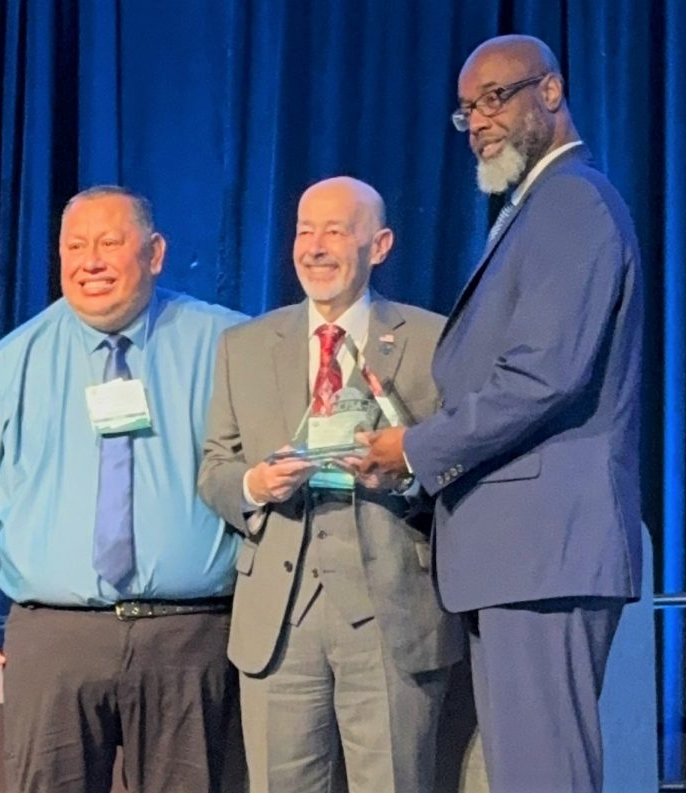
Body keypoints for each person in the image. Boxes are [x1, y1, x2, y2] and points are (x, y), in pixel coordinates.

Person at [358, 35, 644, 793]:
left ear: (551, 92)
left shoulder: (573, 200)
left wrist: (416, 447)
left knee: (544, 774)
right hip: (517, 554)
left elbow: (544, 374)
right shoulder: (538, 206)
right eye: (466, 110)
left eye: (496, 97)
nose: (479, 120)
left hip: (543, 549)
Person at [0, 185, 246, 793]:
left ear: (154, 254)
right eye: (74, 245)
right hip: (54, 640)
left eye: (108, 243)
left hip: (191, 635)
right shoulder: (10, 364)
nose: (89, 260)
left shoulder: (228, 348)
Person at [198, 176, 466, 793]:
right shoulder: (243, 346)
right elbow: (215, 469)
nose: (315, 247)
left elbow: (460, 466)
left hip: (393, 617)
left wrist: (403, 475)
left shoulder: (431, 341)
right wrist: (256, 486)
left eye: (336, 231)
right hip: (278, 626)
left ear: (380, 245)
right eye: (304, 230)